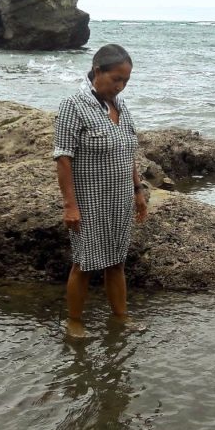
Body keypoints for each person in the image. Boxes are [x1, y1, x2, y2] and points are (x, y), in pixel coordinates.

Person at [53, 44, 148, 335]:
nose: (120, 87)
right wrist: (70, 205)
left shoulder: (120, 106)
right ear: (97, 71)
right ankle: (74, 322)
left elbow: (126, 151)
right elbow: (63, 157)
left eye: (125, 81)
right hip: (89, 200)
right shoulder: (74, 105)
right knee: (84, 263)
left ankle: (120, 316)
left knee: (117, 261)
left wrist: (137, 190)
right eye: (116, 79)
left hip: (120, 199)